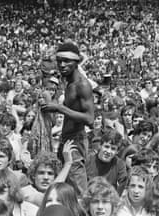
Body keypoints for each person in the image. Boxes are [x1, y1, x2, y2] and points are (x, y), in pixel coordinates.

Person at [41, 42, 94, 195]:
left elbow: (90, 118)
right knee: (63, 188)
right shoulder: (69, 82)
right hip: (67, 139)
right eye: (59, 61)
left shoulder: (82, 85)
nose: (62, 65)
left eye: (67, 61)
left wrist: (59, 108)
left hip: (75, 141)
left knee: (78, 191)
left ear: (76, 62)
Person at [86, 128, 127, 194]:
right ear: (100, 145)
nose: (108, 151)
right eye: (106, 147)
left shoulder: (120, 164)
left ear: (117, 151)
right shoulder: (88, 160)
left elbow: (123, 186)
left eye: (113, 149)